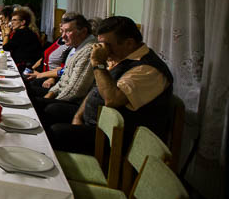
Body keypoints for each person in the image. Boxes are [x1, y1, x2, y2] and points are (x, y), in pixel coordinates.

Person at [49, 16, 173, 154]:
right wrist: (78, 116)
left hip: (118, 140)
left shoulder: (148, 69)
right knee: (51, 110)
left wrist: (98, 64)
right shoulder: (120, 57)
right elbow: (96, 89)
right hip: (95, 121)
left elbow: (112, 100)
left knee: (56, 133)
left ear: (129, 43)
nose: (104, 50)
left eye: (107, 45)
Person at [31, 13, 96, 126]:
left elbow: (75, 91)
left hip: (77, 104)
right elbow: (64, 78)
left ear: (83, 32)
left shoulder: (89, 51)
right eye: (62, 31)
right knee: (30, 91)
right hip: (63, 94)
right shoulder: (76, 47)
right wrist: (51, 93)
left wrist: (50, 100)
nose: (63, 36)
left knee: (37, 104)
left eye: (68, 31)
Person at [1, 7, 42, 72]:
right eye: (12, 20)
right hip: (27, 64)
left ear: (23, 22)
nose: (12, 22)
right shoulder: (27, 31)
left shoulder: (21, 32)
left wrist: (7, 33)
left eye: (14, 20)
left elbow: (5, 47)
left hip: (25, 67)